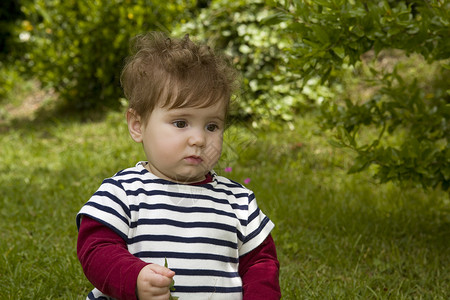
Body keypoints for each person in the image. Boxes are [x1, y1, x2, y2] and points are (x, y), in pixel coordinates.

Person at [76, 31, 281, 300]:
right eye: (181, 123)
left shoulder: (238, 201)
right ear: (137, 125)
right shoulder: (123, 192)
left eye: (212, 126)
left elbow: (260, 264)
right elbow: (96, 248)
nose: (198, 139)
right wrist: (134, 277)